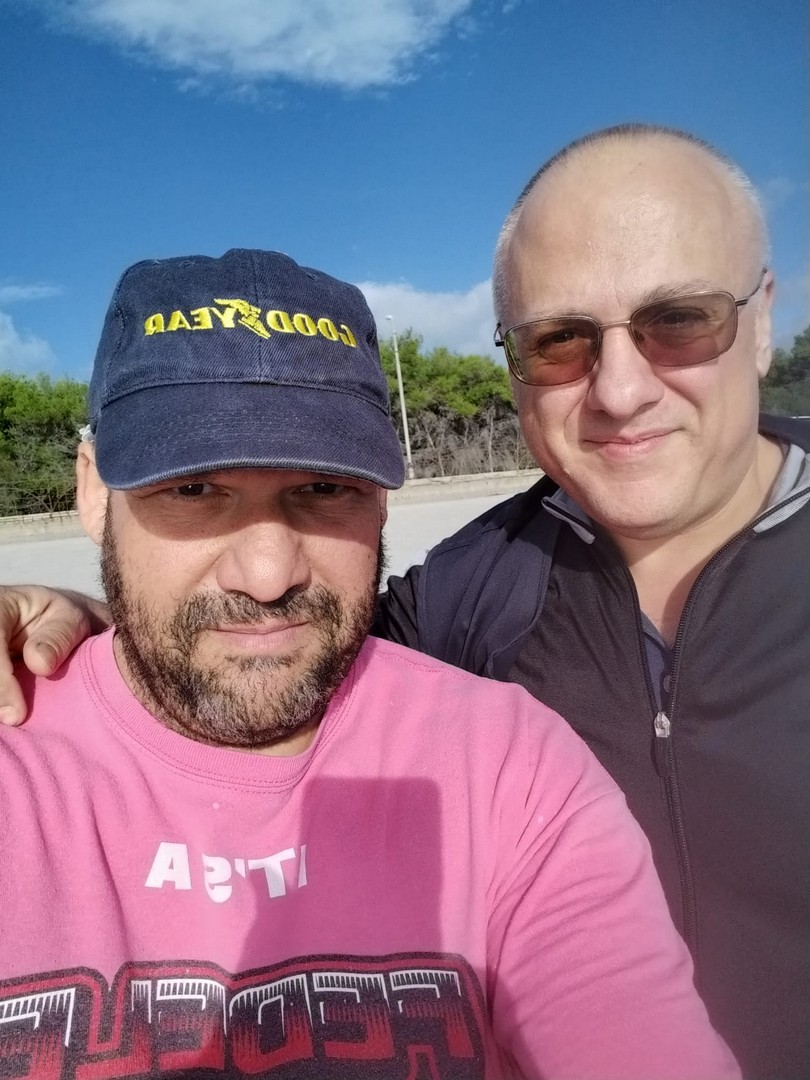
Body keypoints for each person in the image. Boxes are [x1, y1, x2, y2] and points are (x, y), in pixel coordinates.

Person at [2, 121, 806, 1074]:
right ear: (94, 492)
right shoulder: (476, 584)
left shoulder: (511, 760)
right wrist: (86, 616)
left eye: (680, 319)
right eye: (193, 487)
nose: (621, 389)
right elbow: (269, 660)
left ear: (762, 319)